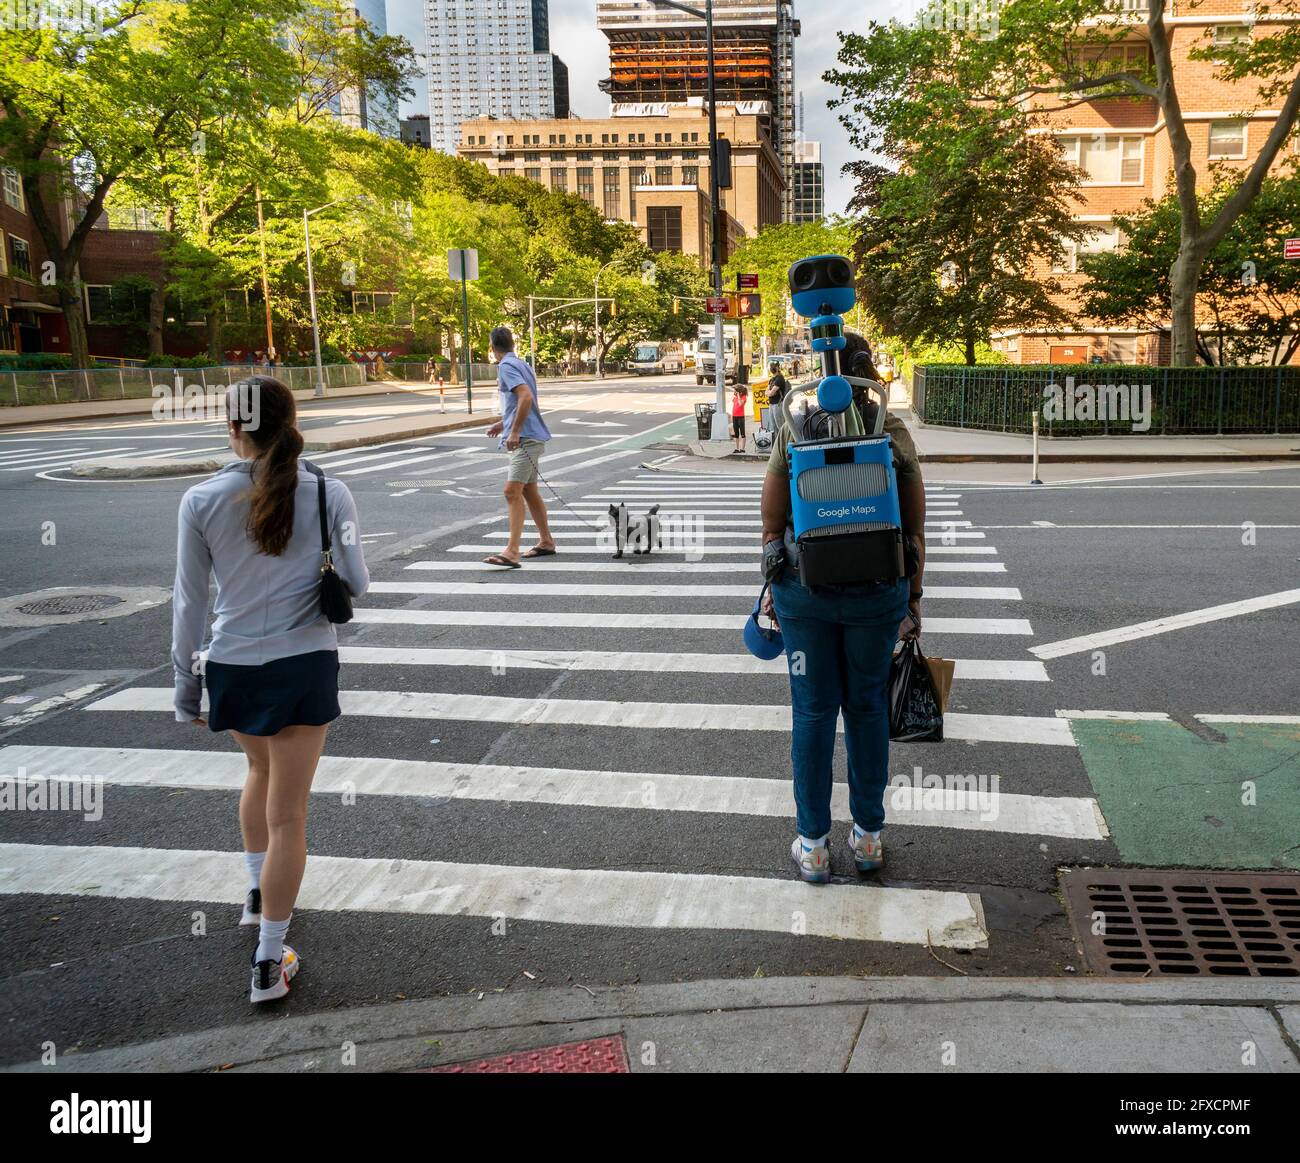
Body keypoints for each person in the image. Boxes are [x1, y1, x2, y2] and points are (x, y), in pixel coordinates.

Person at [171, 376, 369, 1003]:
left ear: (235, 429)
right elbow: (357, 582)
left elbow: (189, 601)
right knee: (290, 814)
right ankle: (267, 960)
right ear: (290, 422)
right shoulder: (327, 491)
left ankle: (257, 897)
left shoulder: (199, 500)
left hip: (231, 663)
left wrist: (185, 683)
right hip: (304, 663)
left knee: (256, 774)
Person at [759, 331, 927, 883]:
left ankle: (812, 846)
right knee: (867, 709)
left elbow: (774, 510)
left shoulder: (798, 422)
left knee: (811, 712)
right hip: (878, 593)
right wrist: (913, 599)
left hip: (804, 592)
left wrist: (770, 562)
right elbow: (914, 523)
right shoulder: (890, 430)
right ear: (869, 369)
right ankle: (870, 840)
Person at [483, 325, 556, 567]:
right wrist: (502, 423)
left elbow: (525, 397)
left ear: (493, 348)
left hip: (526, 439)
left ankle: (512, 551)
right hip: (530, 435)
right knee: (528, 490)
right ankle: (546, 541)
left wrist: (513, 431)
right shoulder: (522, 364)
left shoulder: (505, 366)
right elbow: (520, 402)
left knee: (511, 491)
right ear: (512, 344)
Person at [730, 383, 749, 452]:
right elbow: (734, 407)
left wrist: (738, 396)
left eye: (735, 391)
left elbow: (741, 404)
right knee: (736, 433)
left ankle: (742, 448)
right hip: (735, 417)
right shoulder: (735, 398)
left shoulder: (743, 397)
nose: (734, 392)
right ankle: (737, 448)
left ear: (739, 391)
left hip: (741, 417)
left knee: (742, 433)